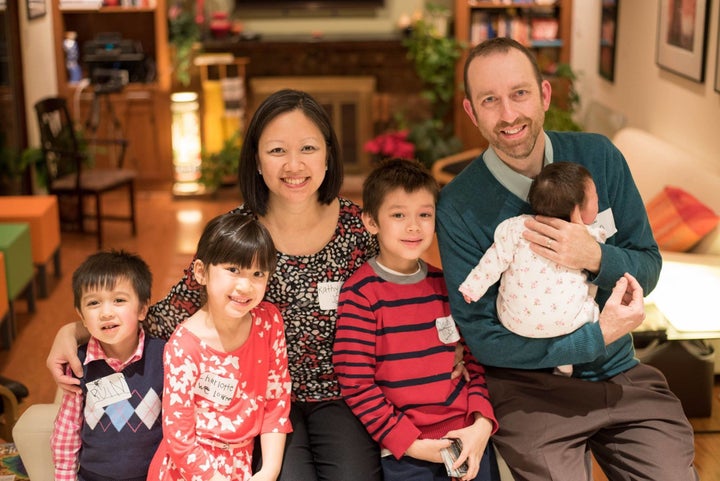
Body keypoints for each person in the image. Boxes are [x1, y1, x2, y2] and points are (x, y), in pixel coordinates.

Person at [47, 89, 383, 481]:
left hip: (338, 394)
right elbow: (170, 313)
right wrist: (74, 330)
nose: (294, 164)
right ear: (256, 159)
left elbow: (405, 291)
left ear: (328, 154)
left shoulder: (359, 228)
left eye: (308, 148)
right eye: (277, 151)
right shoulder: (236, 235)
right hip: (253, 399)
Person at [436, 37, 699, 480]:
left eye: (519, 94)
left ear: (544, 95)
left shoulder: (599, 157)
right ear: (471, 112)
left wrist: (595, 255)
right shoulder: (459, 205)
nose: (508, 115)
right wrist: (594, 337)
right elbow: (481, 337)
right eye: (489, 100)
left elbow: (648, 265)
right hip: (526, 388)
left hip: (619, 375)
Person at [333, 158, 500, 481]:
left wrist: (481, 424)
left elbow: (476, 364)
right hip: (408, 452)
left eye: (424, 214)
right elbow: (357, 384)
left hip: (468, 438)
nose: (414, 226)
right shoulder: (361, 294)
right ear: (371, 221)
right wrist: (409, 443)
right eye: (398, 215)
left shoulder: (448, 284)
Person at [149, 213, 291, 480]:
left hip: (242, 463)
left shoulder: (268, 322)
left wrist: (269, 470)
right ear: (201, 272)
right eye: (233, 270)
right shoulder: (183, 345)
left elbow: (276, 400)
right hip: (187, 469)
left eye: (257, 273)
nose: (245, 285)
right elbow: (179, 436)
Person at [459, 162, 606, 375]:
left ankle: (561, 358)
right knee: (591, 299)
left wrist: (473, 287)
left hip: (514, 321)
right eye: (595, 197)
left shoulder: (515, 228)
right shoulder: (589, 237)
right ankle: (566, 360)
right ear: (576, 210)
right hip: (570, 322)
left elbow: (494, 260)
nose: (599, 200)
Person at [51, 250, 164, 481]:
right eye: (93, 303)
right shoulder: (79, 363)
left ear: (143, 309)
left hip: (153, 476)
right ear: (81, 316)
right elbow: (67, 429)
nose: (106, 313)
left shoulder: (164, 356)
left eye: (119, 300)